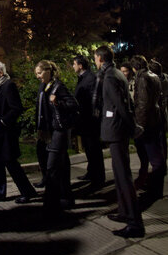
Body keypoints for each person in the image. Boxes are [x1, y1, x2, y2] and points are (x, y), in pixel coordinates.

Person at [94, 46, 144, 238]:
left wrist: (133, 128)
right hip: (117, 130)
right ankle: (124, 212)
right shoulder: (115, 74)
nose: (95, 61)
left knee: (123, 177)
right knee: (119, 174)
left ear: (99, 58)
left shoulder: (110, 77)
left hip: (116, 130)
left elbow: (121, 106)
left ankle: (135, 222)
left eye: (95, 58)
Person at [0, 61, 37, 204]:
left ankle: (27, 192)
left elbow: (16, 108)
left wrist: (3, 122)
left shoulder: (8, 85)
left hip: (4, 134)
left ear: (1, 73)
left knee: (11, 164)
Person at [37, 60, 79, 218]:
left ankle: (51, 203)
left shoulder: (58, 87)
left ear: (48, 71)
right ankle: (66, 197)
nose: (38, 76)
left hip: (59, 130)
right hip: (49, 131)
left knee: (52, 167)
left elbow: (74, 105)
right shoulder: (43, 87)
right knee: (62, 165)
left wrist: (58, 102)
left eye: (40, 73)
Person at [130, 55, 165, 200]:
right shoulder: (154, 76)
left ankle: (155, 190)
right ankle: (156, 187)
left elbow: (143, 104)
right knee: (156, 156)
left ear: (134, 68)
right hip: (155, 120)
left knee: (154, 158)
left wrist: (139, 126)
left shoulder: (142, 78)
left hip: (147, 123)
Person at [72, 55, 105, 189]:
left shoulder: (90, 79)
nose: (73, 66)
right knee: (89, 148)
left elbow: (93, 101)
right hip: (85, 120)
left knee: (94, 149)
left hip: (89, 121)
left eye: (74, 64)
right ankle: (91, 173)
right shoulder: (84, 78)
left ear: (80, 66)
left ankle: (98, 177)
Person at [148, 58, 168, 172]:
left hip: (157, 113)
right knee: (162, 140)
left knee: (158, 141)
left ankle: (160, 166)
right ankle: (163, 163)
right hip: (163, 112)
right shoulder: (165, 79)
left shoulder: (155, 82)